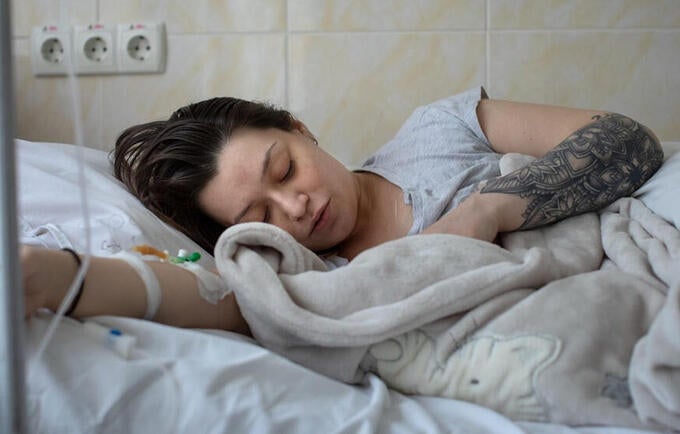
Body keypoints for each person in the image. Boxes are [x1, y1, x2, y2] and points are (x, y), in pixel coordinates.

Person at [22, 86, 663, 336]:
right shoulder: (306, 278)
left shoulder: (436, 130)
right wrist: (57, 276)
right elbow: (206, 296)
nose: (295, 205)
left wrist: (485, 213)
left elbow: (628, 141)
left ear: (303, 129)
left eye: (285, 169)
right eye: (261, 213)